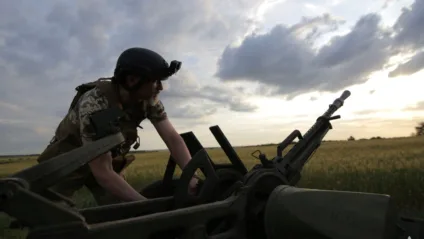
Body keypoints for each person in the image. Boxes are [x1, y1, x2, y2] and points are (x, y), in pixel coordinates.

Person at [36, 47, 199, 206]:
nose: (161, 87)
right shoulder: (97, 105)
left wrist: (192, 176)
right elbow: (102, 172)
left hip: (105, 158)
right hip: (67, 162)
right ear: (132, 80)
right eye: (155, 81)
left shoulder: (148, 100)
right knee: (52, 217)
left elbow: (172, 138)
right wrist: (147, 206)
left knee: (122, 212)